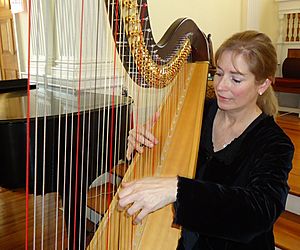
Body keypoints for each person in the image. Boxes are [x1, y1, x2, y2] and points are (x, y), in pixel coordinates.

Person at [118, 30, 295, 249]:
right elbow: (155, 169)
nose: (221, 86)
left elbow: (259, 212)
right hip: (184, 238)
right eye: (219, 73)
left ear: (263, 85)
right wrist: (138, 145)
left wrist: (179, 189)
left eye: (236, 79)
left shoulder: (275, 143)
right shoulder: (193, 111)